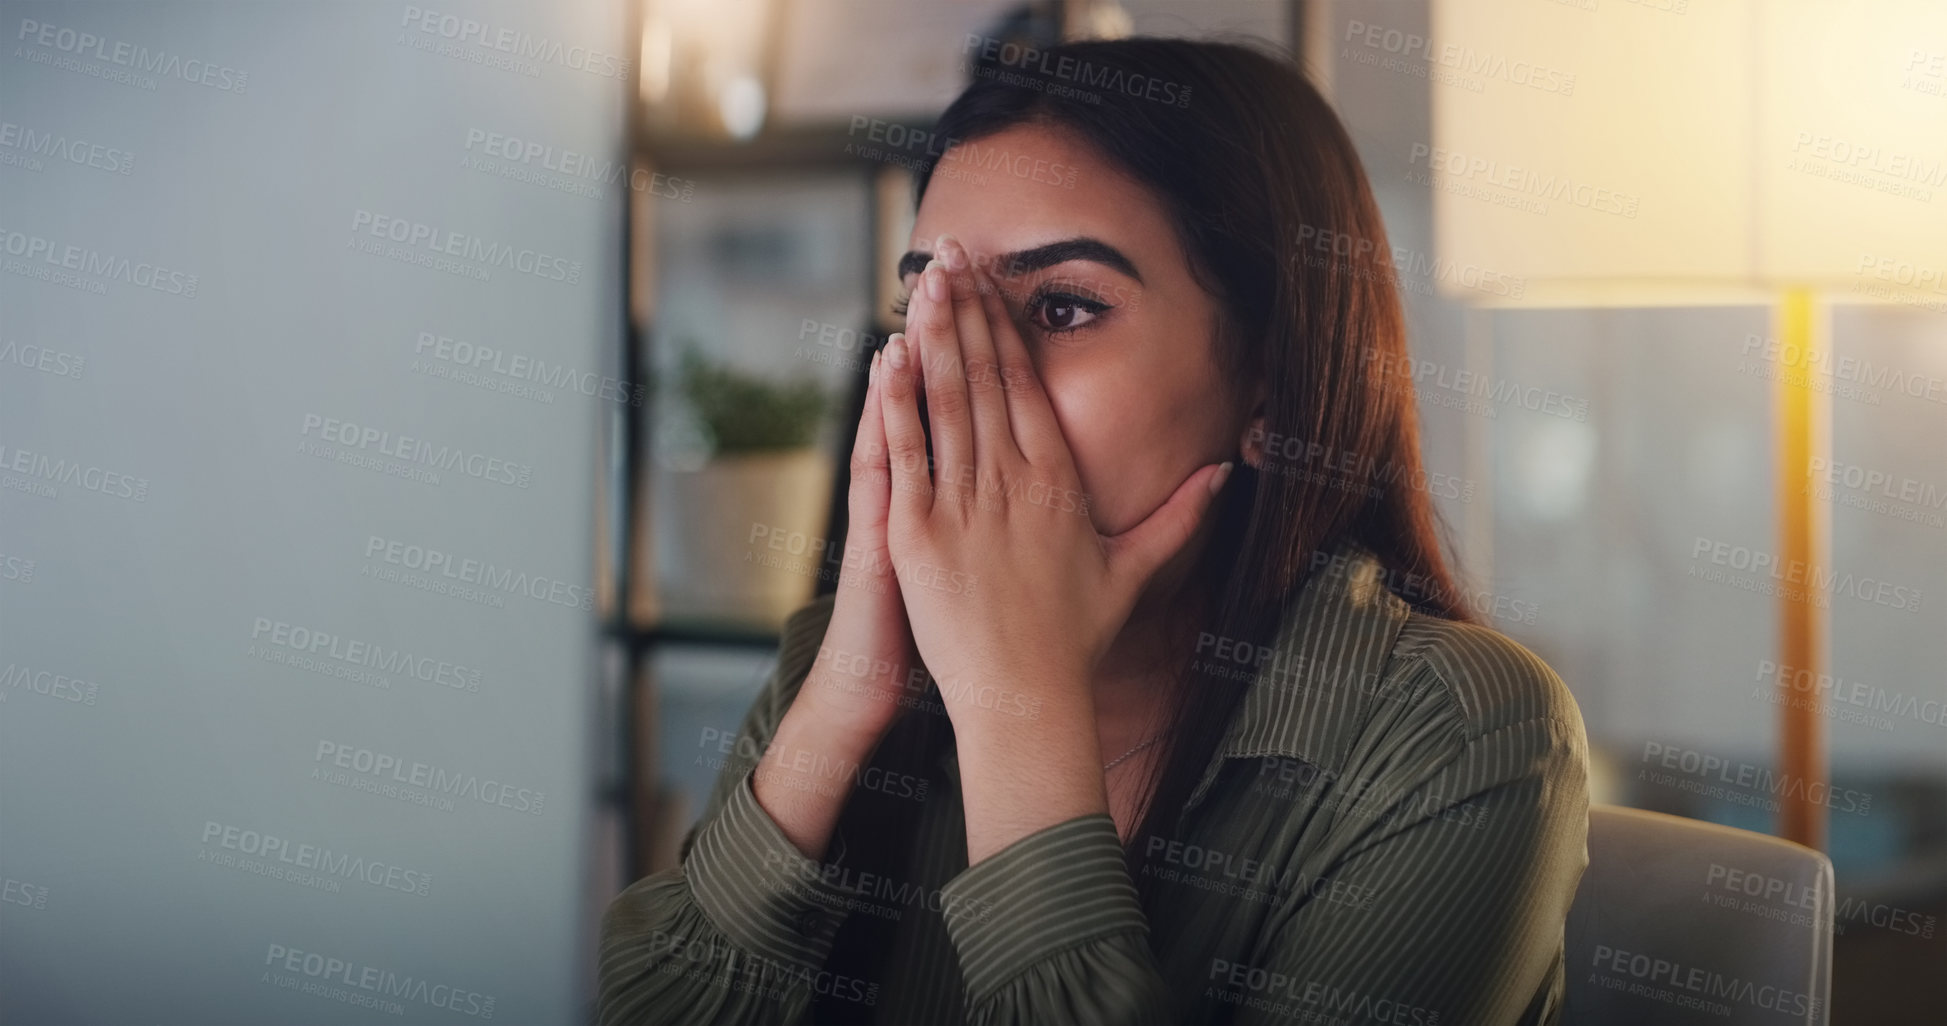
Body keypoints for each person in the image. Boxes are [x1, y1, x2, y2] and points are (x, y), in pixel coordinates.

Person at [598, 36, 1588, 1026]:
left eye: (1063, 306)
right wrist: (840, 705)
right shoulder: (839, 674)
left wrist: (1016, 706)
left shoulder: (1458, 735)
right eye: (928, 310)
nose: (961, 377)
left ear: (1270, 385)